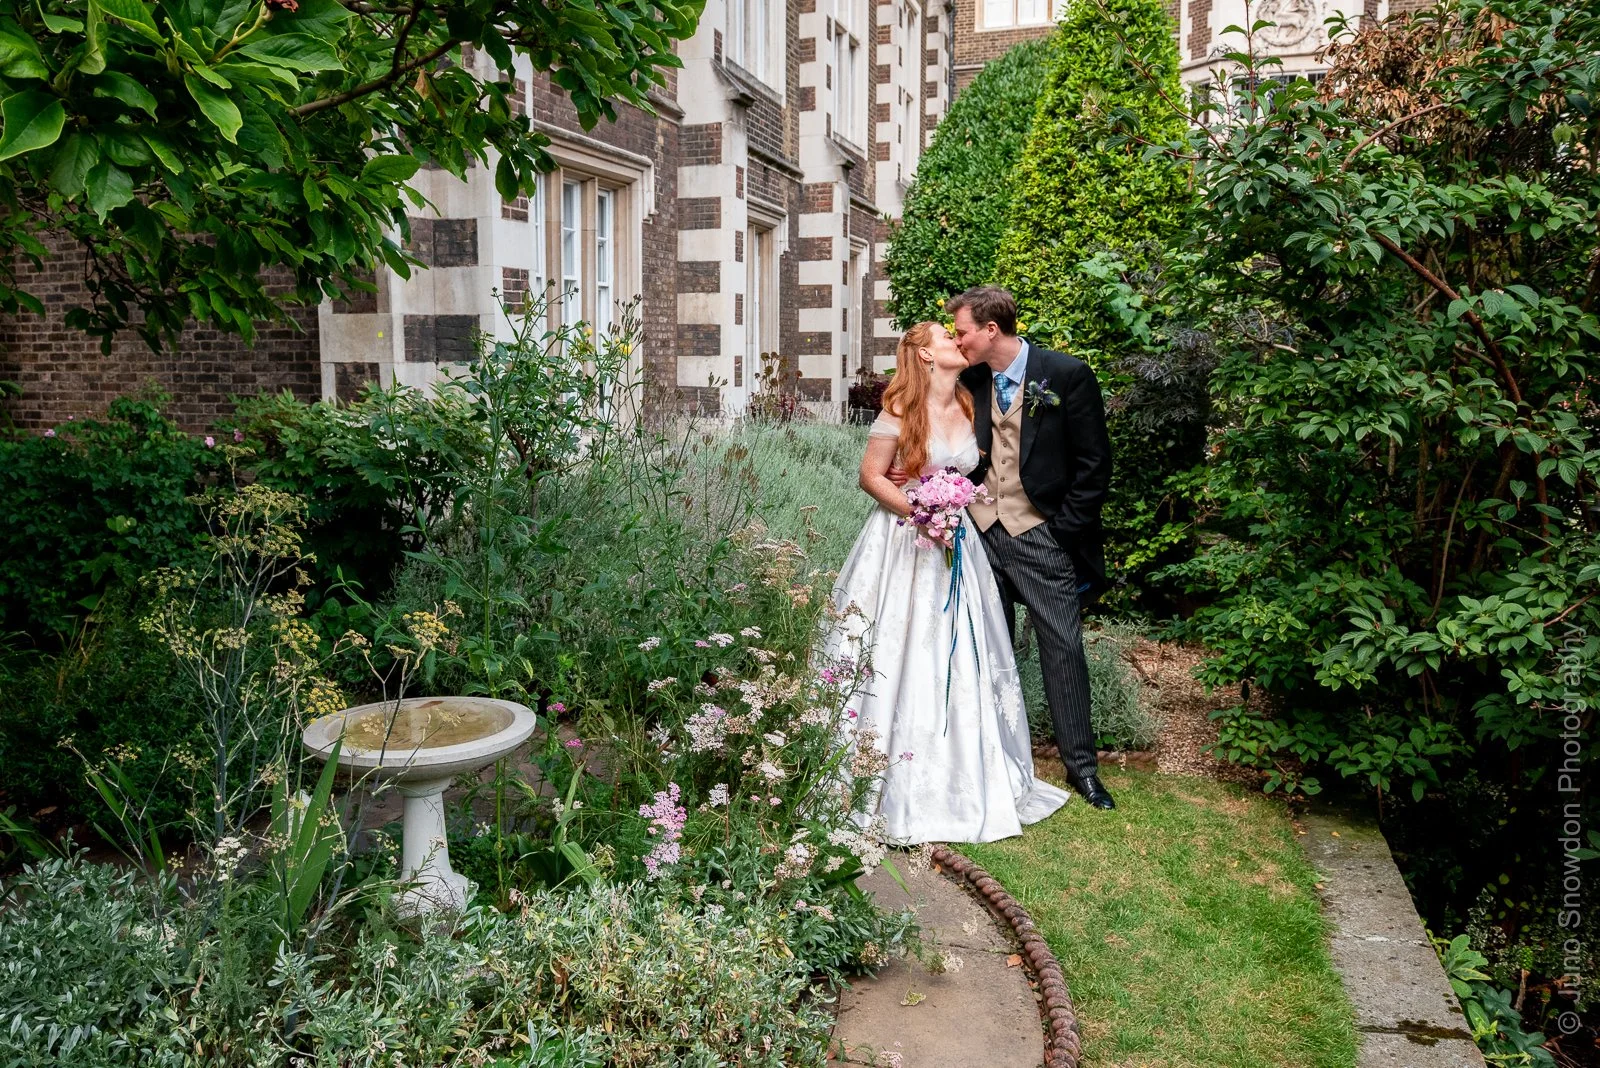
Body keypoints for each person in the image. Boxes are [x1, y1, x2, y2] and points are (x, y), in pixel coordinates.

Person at [824, 320, 1070, 845]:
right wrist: (920, 512)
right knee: (900, 645)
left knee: (961, 649)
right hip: (904, 543)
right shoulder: (898, 410)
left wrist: (953, 503)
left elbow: (976, 470)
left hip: (958, 542)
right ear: (925, 355)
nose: (957, 342)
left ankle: (965, 770)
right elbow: (870, 475)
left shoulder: (967, 402)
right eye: (945, 338)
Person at [943, 285, 1117, 810]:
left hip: (1040, 533)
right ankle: (992, 760)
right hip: (977, 532)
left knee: (1062, 648)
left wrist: (1060, 532)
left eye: (963, 331)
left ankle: (1083, 770)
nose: (957, 339)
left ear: (991, 330)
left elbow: (1094, 465)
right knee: (985, 649)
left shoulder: (1065, 375)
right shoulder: (970, 378)